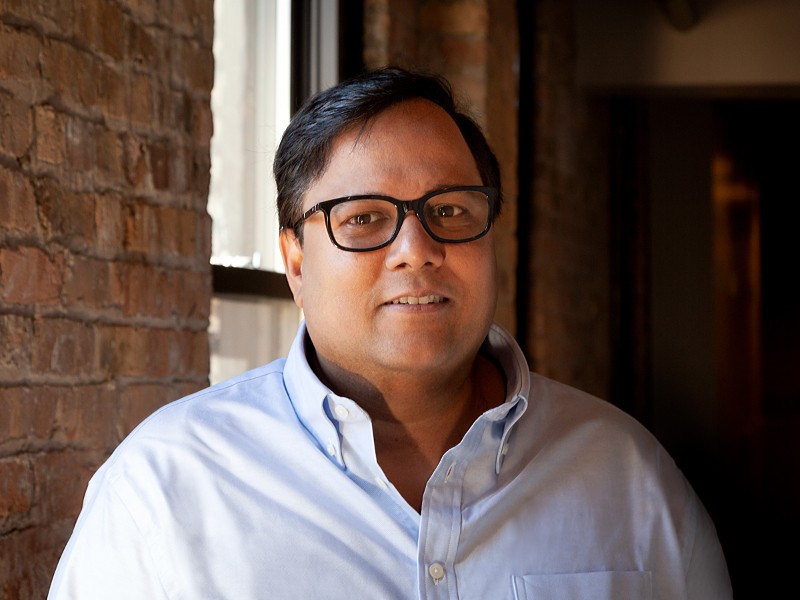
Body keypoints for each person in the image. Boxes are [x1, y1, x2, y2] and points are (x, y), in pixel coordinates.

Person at [48, 66, 732, 599]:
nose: (416, 248)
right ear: (294, 261)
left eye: (451, 210)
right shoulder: (164, 489)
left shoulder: (630, 479)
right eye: (365, 218)